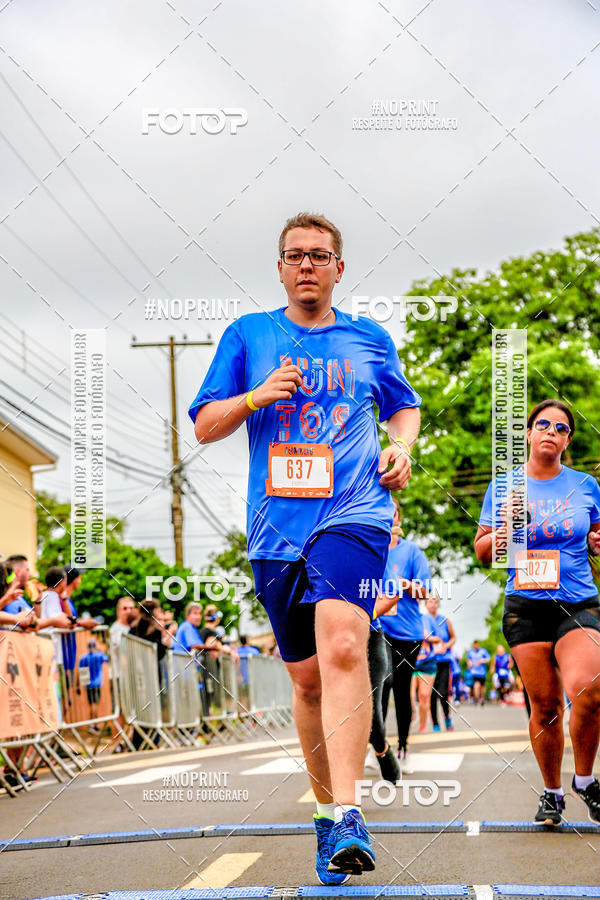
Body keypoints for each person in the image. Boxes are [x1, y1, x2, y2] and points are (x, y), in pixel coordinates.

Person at [189, 212, 421, 882]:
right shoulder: (249, 336)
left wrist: (400, 447)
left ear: (339, 268)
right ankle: (326, 820)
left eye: (321, 256)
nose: (308, 266)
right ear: (281, 267)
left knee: (345, 643)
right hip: (274, 531)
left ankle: (350, 813)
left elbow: (402, 406)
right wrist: (256, 396)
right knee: (308, 680)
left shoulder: (368, 339)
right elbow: (205, 424)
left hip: (354, 514)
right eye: (295, 256)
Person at [475, 398, 600, 826]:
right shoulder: (504, 487)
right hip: (526, 605)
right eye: (543, 424)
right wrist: (507, 528)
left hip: (578, 601)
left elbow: (596, 536)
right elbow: (482, 551)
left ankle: (585, 780)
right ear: (529, 434)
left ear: (568, 440)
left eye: (561, 428)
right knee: (545, 705)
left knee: (589, 686)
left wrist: (597, 544)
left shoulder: (585, 485)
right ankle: (552, 794)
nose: (551, 431)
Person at [379, 503, 430, 772]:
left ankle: (402, 748)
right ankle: (378, 746)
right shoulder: (370, 547)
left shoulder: (412, 552)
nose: (388, 516)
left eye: (392, 512)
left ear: (398, 517)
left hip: (407, 632)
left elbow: (426, 591)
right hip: (377, 627)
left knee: (400, 691)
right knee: (381, 684)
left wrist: (403, 584)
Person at [424, 594, 456, 731]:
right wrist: (434, 640)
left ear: (438, 604)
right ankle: (435, 723)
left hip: (444, 661)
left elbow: (453, 638)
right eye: (430, 601)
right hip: (429, 661)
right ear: (425, 604)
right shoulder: (422, 619)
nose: (432, 604)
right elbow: (425, 636)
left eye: (435, 601)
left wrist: (446, 646)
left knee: (443, 692)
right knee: (431, 694)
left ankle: (447, 717)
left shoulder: (445, 620)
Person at [411, 615, 442, 732]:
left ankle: (422, 725)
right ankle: (411, 713)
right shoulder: (407, 616)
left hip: (428, 662)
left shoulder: (428, 619)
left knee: (423, 695)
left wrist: (427, 637)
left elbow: (439, 638)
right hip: (411, 660)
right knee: (411, 695)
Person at [78, 638, 109, 720]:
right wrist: (101, 651)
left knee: (91, 704)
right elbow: (107, 659)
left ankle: (93, 724)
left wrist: (78, 685)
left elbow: (81, 672)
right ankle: (93, 723)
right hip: (97, 683)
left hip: (88, 684)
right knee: (94, 704)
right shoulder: (99, 655)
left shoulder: (83, 657)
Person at [466, 640, 490, 705]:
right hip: (474, 672)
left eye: (477, 645)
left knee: (482, 686)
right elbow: (468, 660)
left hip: (482, 672)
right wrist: (469, 663)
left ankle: (482, 698)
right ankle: (476, 698)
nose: (476, 646)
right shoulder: (470, 652)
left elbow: (488, 659)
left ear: (478, 645)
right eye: (474, 645)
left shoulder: (483, 651)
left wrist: (483, 660)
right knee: (476, 685)